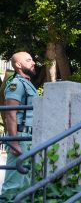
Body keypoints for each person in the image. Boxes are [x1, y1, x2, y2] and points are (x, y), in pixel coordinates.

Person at [1, 52, 38, 195]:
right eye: (29, 60)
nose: (33, 62)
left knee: (26, 184)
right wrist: (14, 142)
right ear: (18, 65)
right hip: (21, 137)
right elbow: (10, 113)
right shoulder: (16, 84)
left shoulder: (28, 84)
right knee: (14, 184)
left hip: (29, 138)